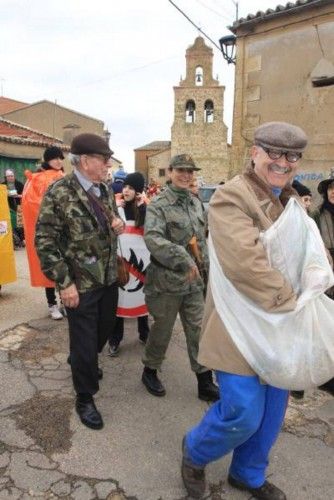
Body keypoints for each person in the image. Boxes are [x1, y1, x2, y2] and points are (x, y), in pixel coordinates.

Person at [181, 122, 308, 500]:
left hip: (279, 328)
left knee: (270, 415)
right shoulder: (230, 197)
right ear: (254, 152)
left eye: (292, 156)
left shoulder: (290, 202)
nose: (283, 162)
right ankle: (194, 452)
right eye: (274, 152)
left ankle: (247, 474)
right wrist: (294, 300)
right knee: (243, 411)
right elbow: (244, 262)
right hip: (239, 325)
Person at [35, 133, 124, 430]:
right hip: (80, 285)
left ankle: (81, 362)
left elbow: (110, 225)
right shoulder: (59, 192)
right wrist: (64, 283)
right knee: (85, 343)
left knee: (105, 328)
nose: (108, 164)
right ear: (85, 161)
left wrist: (118, 225)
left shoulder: (105, 190)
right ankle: (85, 397)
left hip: (108, 278)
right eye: (104, 159)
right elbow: (44, 242)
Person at [141, 154, 219, 402]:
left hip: (194, 283)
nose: (187, 175)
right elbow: (153, 239)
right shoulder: (159, 204)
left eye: (190, 171)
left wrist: (207, 272)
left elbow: (202, 242)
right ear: (171, 171)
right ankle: (150, 370)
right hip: (166, 281)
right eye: (181, 170)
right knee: (162, 330)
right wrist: (183, 258)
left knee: (198, 330)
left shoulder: (196, 203)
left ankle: (204, 381)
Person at [108, 171, 150, 356]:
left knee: (142, 300)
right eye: (125, 186)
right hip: (121, 264)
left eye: (131, 187)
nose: (126, 190)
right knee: (119, 301)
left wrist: (143, 207)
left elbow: (150, 229)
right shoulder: (116, 207)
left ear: (139, 191)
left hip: (142, 264)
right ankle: (115, 339)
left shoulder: (145, 209)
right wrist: (113, 210)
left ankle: (144, 333)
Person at [22, 146, 65, 320]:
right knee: (49, 265)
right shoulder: (37, 179)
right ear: (47, 159)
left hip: (65, 231)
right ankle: (52, 303)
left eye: (61, 158)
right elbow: (30, 203)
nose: (59, 161)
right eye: (55, 158)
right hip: (48, 231)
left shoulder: (63, 177)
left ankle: (64, 301)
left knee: (65, 266)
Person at [2, 169, 25, 247]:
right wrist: (6, 195)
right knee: (11, 225)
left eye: (11, 176)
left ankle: (22, 240)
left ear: (14, 176)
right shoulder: (2, 185)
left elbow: (25, 195)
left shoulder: (20, 184)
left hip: (19, 207)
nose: (10, 178)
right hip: (8, 207)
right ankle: (14, 242)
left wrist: (17, 196)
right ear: (5, 177)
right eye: (8, 176)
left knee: (20, 224)